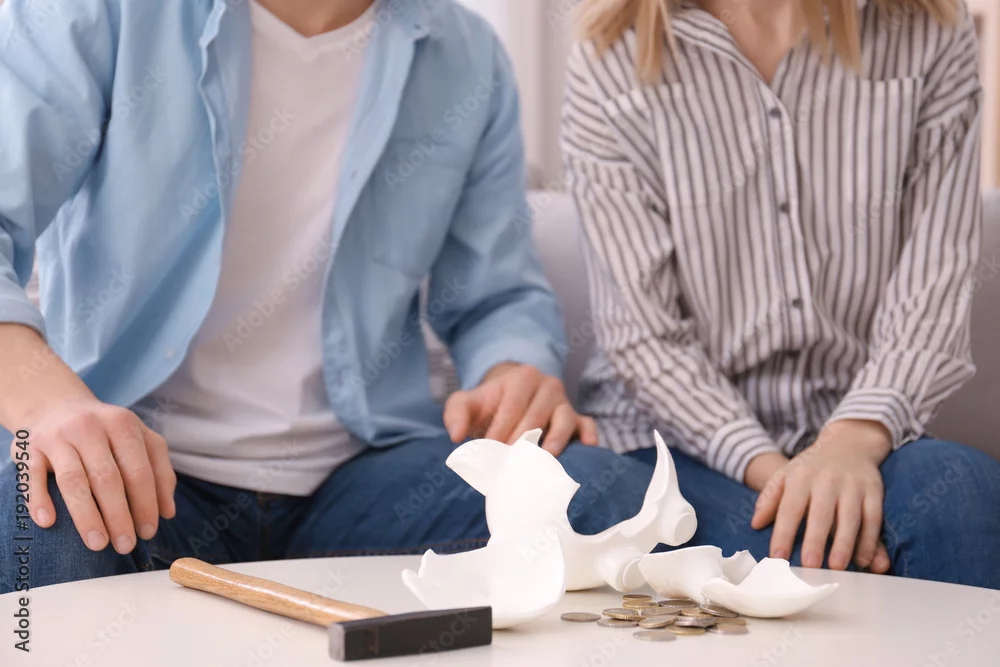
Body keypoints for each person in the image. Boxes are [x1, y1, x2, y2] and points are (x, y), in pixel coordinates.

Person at [0, 0, 655, 594]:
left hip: (363, 479)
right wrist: (50, 402)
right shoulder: (96, 13)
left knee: (601, 498)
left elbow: (496, 296)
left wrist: (514, 369)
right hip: (144, 466)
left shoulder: (467, 55)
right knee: (45, 515)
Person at [563, 0, 1000, 588]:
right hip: (676, 449)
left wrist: (850, 442)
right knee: (779, 549)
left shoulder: (929, 30)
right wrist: (790, 479)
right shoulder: (608, 58)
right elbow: (645, 337)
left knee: (962, 493)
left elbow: (934, 284)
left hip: (862, 434)